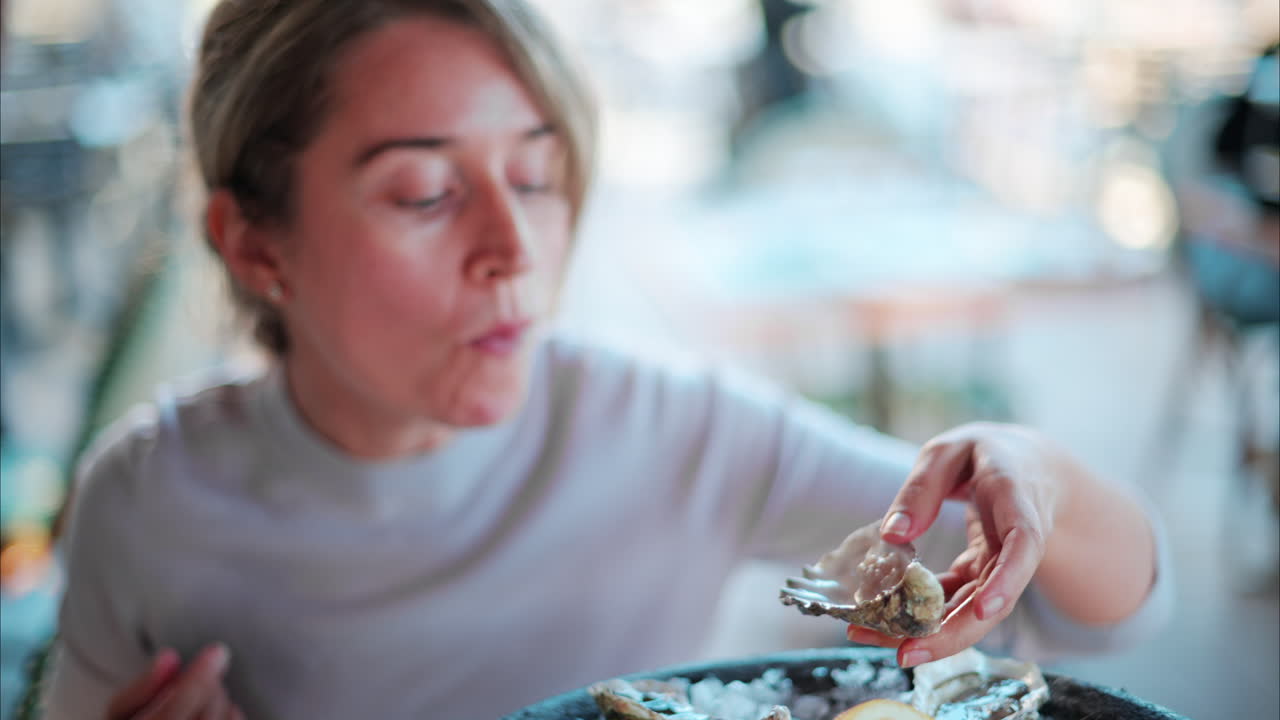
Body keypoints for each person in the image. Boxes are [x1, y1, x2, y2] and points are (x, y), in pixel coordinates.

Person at [39, 1, 1172, 718]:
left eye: (535, 176)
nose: (514, 247)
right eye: (426, 192)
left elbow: (1112, 612)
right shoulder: (146, 501)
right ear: (252, 242)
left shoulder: (667, 425)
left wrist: (1031, 472)